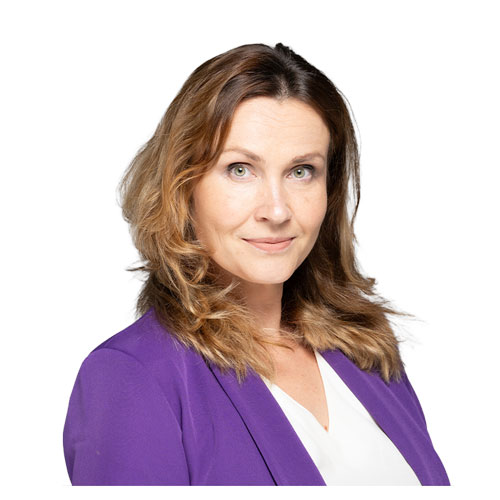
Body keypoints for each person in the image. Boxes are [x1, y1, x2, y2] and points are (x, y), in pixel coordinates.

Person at [62, 42, 450, 486]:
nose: (277, 210)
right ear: (183, 187)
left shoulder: (365, 351)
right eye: (240, 169)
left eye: (301, 171)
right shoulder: (132, 378)